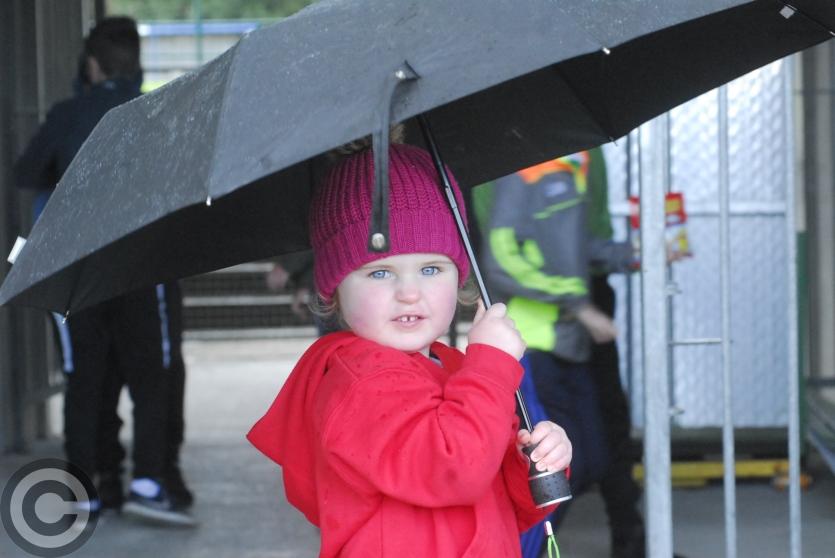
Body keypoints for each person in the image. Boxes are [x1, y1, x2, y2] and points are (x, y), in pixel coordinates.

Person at [248, 140, 572, 557]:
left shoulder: (453, 368)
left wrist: (535, 462)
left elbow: (500, 501)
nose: (409, 292)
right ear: (335, 291)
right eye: (380, 272)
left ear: (459, 278)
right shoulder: (361, 383)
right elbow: (456, 470)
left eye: (431, 268)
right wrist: (490, 366)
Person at [12, 17, 193, 526]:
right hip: (142, 263)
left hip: (74, 269)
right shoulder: (157, 113)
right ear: (135, 63)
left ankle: (86, 489)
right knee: (152, 373)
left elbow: (27, 172)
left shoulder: (67, 114)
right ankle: (150, 481)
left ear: (90, 64)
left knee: (84, 378)